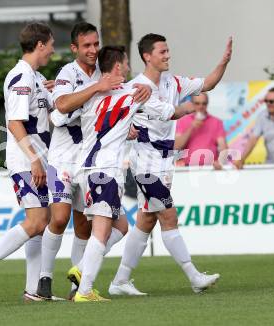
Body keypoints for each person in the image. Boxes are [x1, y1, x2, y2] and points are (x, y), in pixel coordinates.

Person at [58, 45, 197, 302]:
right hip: (106, 170)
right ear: (119, 66)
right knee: (101, 231)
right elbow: (167, 113)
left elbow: (62, 113)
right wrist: (188, 108)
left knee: (115, 226)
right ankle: (85, 290)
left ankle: (84, 281)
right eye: (126, 63)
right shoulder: (133, 94)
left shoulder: (90, 92)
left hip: (87, 170)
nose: (130, 68)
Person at [109, 33, 232, 296]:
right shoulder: (137, 87)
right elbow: (164, 112)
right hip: (145, 162)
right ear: (147, 56)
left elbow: (208, 83)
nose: (167, 55)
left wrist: (223, 62)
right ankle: (194, 276)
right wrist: (188, 108)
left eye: (167, 51)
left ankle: (120, 280)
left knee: (146, 220)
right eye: (162, 51)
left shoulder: (173, 82)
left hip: (165, 160)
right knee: (168, 215)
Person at [38, 22, 151, 300]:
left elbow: (112, 108)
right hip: (64, 160)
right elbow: (62, 106)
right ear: (74, 48)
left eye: (95, 44)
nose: (92, 50)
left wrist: (126, 125)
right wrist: (95, 87)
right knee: (60, 217)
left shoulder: (105, 71)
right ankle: (44, 279)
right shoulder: (68, 72)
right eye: (86, 45)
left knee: (90, 226)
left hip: (88, 162)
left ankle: (79, 277)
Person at [0, 22, 55, 302]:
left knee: (41, 222)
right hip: (26, 160)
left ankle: (32, 291)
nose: (53, 51)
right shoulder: (21, 76)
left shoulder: (35, 77)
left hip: (38, 157)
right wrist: (34, 160)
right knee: (37, 220)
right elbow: (15, 123)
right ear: (40, 45)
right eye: (51, 45)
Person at [234, 87, 274, 169]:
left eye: (271, 101)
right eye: (266, 101)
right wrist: (242, 159)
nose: (268, 104)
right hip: (270, 164)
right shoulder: (262, 116)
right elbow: (253, 139)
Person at [175, 92, 228, 169]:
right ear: (192, 104)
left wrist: (220, 162)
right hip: (188, 167)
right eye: (197, 103)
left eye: (204, 104)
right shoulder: (183, 121)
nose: (201, 106)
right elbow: (177, 146)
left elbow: (223, 147)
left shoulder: (216, 122)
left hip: (210, 167)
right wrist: (191, 128)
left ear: (207, 104)